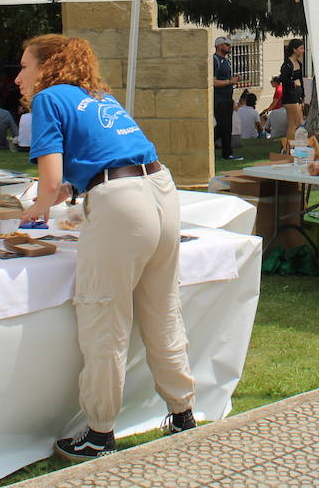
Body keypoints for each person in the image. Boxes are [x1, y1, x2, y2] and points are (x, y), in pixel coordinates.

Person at [16, 34, 196, 460]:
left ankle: (99, 433)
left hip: (120, 201)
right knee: (162, 307)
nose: (19, 77)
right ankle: (184, 412)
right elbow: (102, 158)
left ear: (47, 67)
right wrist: (63, 194)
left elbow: (48, 180)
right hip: (160, 189)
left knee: (102, 316)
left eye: (24, 66)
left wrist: (35, 210)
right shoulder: (98, 96)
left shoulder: (48, 100)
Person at [211, 37, 242, 161]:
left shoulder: (226, 61)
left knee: (224, 126)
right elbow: (212, 81)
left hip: (227, 98)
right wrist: (230, 81)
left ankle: (224, 150)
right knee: (224, 126)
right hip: (219, 99)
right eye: (227, 45)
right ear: (219, 46)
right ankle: (227, 153)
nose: (229, 47)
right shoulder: (215, 60)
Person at [275, 39, 306, 145]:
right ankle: (290, 147)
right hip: (290, 96)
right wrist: (294, 83)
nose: (303, 51)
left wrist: (303, 95)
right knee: (293, 123)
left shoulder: (299, 63)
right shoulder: (287, 64)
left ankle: (296, 145)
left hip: (297, 95)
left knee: (299, 123)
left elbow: (301, 80)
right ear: (294, 50)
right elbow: (283, 79)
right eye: (301, 48)